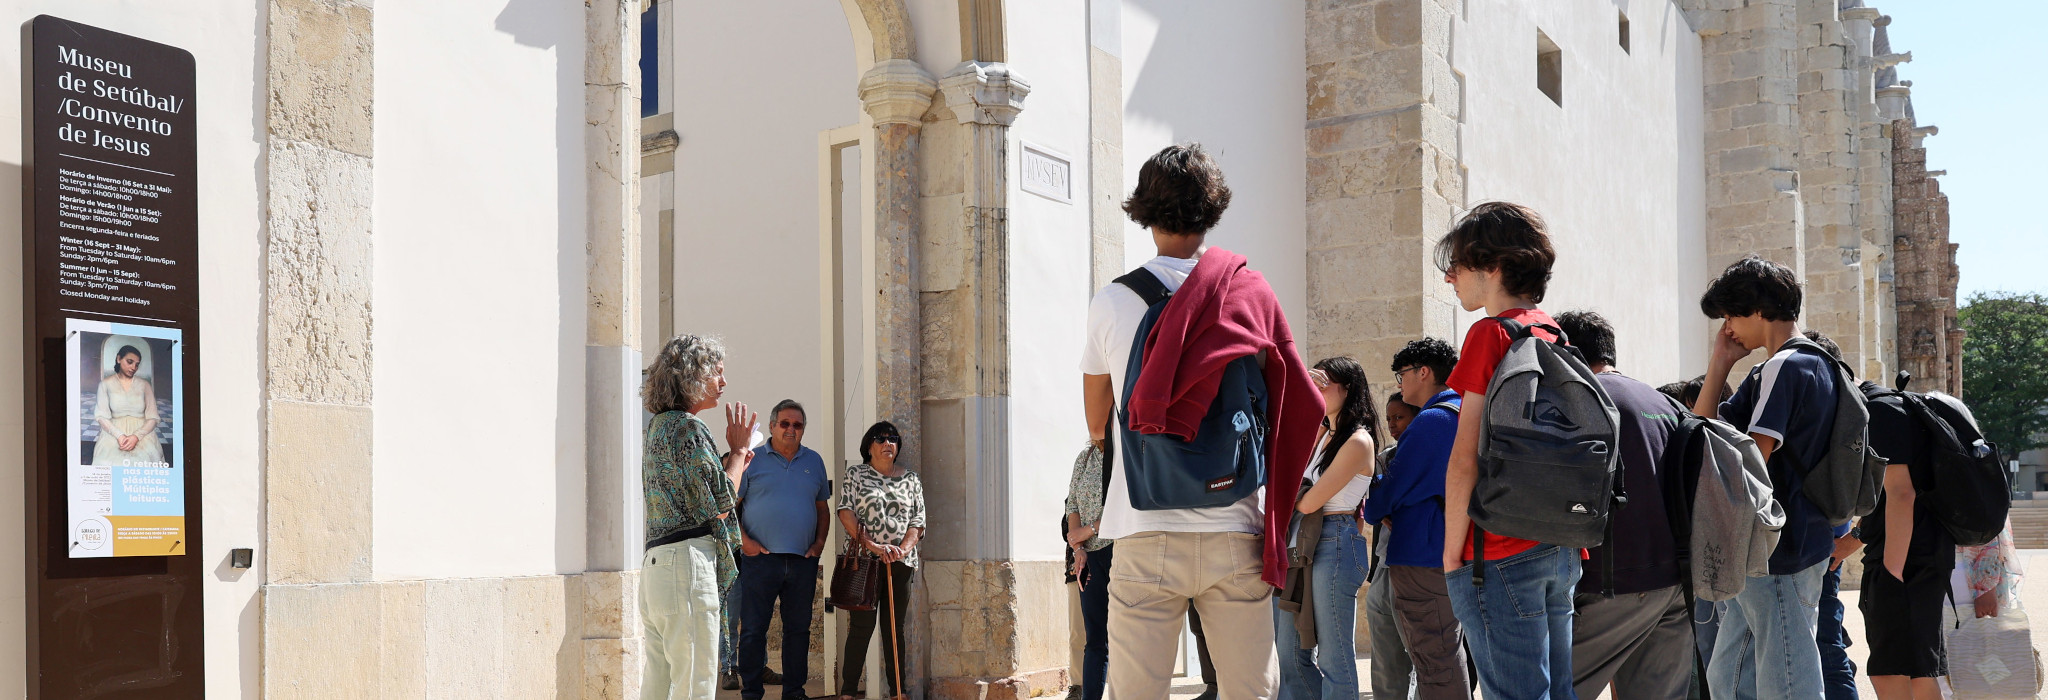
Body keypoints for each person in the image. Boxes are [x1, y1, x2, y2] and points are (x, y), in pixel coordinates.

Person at [1080, 143, 1323, 700]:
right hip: (1234, 526)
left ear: (1144, 210)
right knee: (1249, 691)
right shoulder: (1250, 293)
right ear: (1213, 209)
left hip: (1143, 525)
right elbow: (1294, 406)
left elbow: (1097, 426)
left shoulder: (1112, 302)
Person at [1435, 202, 1578, 700]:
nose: (1450, 277)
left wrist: (1451, 555)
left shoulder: (1490, 333)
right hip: (1559, 542)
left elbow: (1464, 458)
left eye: (1458, 264)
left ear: (1493, 266)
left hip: (1497, 549)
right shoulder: (1551, 330)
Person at [1692, 255, 1840, 700]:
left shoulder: (1783, 367)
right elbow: (1701, 433)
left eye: (1730, 316)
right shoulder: (1812, 363)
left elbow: (1753, 459)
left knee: (1788, 682)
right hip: (1784, 545)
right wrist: (1721, 362)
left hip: (1777, 548)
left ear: (1757, 310)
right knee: (1729, 678)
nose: (1727, 328)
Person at [1555, 310, 1694, 700]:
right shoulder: (1666, 404)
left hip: (1614, 584)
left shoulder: (1585, 400)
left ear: (1569, 352)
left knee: (1549, 691)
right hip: (1674, 584)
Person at [641, 334, 758, 700]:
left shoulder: (658, 426)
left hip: (658, 565)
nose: (723, 381)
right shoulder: (689, 427)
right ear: (693, 375)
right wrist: (738, 452)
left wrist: (734, 461)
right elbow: (720, 503)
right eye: (717, 372)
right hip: (687, 566)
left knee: (659, 683)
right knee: (695, 685)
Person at [1363, 337, 1471, 700]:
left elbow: (1382, 500)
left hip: (1424, 557)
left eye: (1402, 374)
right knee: (1445, 654)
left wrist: (1374, 490)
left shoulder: (1433, 420)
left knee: (1434, 660)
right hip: (1452, 550)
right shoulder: (1463, 410)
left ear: (1423, 372)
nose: (1400, 382)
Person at [1274, 357, 1380, 700]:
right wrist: (1298, 386)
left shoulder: (1359, 441)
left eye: (1324, 382)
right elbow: (1285, 459)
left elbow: (1308, 502)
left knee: (1334, 656)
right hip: (1303, 542)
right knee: (1289, 654)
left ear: (1347, 389)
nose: (1317, 388)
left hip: (1334, 540)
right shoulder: (1323, 433)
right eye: (1314, 381)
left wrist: (1292, 495)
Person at [735, 400, 831, 700]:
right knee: (753, 630)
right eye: (785, 423)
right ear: (772, 426)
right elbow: (731, 506)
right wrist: (745, 542)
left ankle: (794, 692)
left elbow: (822, 508)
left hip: (802, 561)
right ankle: (751, 693)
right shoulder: (752, 459)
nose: (791, 429)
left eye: (797, 425)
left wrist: (819, 544)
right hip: (760, 560)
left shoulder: (814, 461)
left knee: (798, 631)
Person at [836, 421, 925, 700]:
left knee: (894, 628)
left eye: (893, 439)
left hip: (900, 563)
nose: (888, 443)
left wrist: (902, 549)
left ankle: (898, 691)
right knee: (861, 627)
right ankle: (848, 692)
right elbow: (845, 511)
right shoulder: (856, 474)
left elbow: (918, 520)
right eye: (881, 438)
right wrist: (872, 546)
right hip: (865, 562)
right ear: (869, 446)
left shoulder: (911, 479)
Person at [1797, 332, 1862, 700]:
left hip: (1822, 543)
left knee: (1826, 643)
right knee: (1824, 640)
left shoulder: (1840, 412)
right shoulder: (1842, 410)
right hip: (1823, 540)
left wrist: (1854, 539)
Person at [1367, 391, 1419, 700]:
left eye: (1400, 417)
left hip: (1416, 568)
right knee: (1386, 661)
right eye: (1389, 419)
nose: (1393, 425)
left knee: (1423, 655)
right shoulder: (1385, 458)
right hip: (1384, 565)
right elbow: (1373, 506)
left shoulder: (1427, 454)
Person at [1065, 437, 1113, 700]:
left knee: (1125, 636)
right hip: (1089, 557)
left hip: (1120, 550)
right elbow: (1072, 504)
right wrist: (1079, 547)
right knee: (1095, 638)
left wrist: (1090, 529)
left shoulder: (1124, 452)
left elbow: (1127, 506)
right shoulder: (1084, 458)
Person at [92, 344, 164, 467]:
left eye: (137, 364)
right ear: (119, 359)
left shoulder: (145, 385)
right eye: (130, 362)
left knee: (144, 461)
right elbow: (101, 416)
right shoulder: (105, 384)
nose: (133, 367)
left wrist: (136, 437)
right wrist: (119, 436)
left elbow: (153, 417)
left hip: (142, 432)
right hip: (114, 431)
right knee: (107, 462)